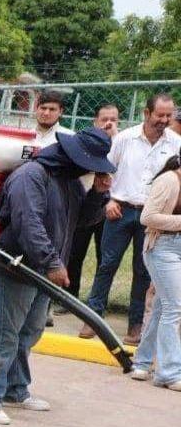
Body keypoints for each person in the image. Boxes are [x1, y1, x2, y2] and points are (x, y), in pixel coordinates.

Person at [0, 127, 114, 424]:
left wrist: (99, 196)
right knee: (4, 333)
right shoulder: (32, 176)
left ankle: (16, 388)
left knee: (30, 332)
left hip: (41, 270)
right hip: (17, 267)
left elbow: (81, 221)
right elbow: (29, 223)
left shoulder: (69, 181)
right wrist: (52, 262)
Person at [80, 94, 179, 345]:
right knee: (107, 265)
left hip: (153, 218)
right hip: (120, 210)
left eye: (169, 116)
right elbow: (104, 170)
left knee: (143, 271)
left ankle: (135, 325)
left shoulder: (176, 143)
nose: (165, 120)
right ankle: (92, 318)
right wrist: (109, 200)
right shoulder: (125, 139)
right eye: (160, 115)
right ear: (147, 113)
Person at [131, 153, 181, 389]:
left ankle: (141, 362)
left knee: (163, 307)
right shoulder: (168, 180)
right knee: (175, 307)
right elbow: (147, 217)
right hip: (163, 247)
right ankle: (169, 373)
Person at [65, 103, 121, 302]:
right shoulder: (84, 142)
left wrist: (113, 139)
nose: (108, 124)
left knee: (104, 257)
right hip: (84, 201)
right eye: (104, 119)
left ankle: (97, 301)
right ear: (95, 121)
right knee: (74, 252)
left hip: (111, 205)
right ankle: (69, 297)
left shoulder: (122, 143)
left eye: (113, 120)